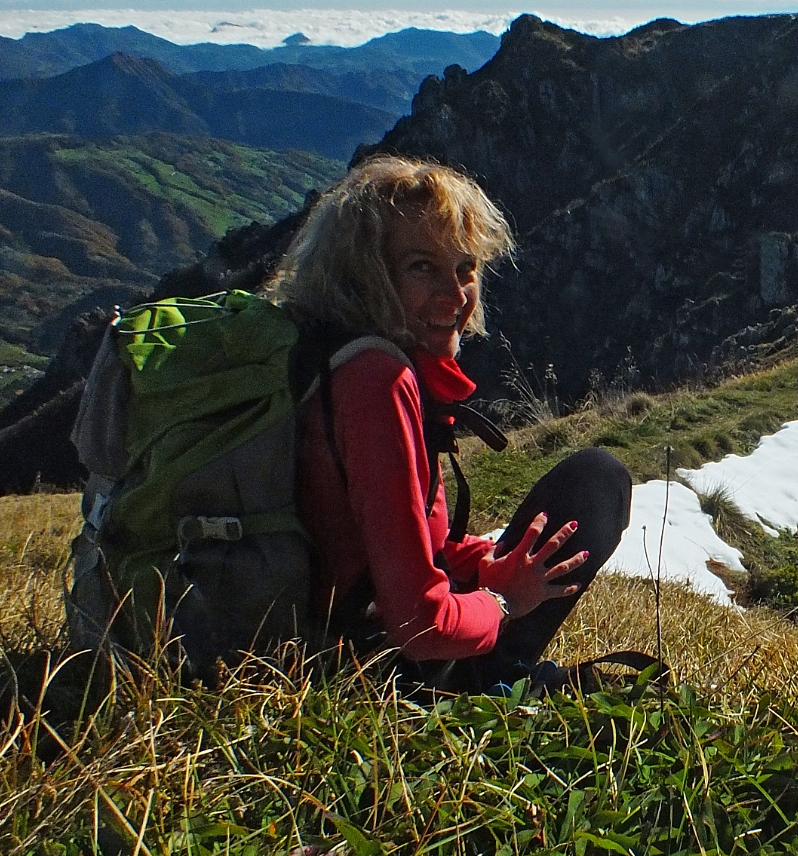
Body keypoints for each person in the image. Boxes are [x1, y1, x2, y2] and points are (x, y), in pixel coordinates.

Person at [267, 155, 632, 692]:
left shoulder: (324, 350)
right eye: (422, 267)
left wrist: (488, 564)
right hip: (369, 667)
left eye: (466, 269)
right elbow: (421, 624)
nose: (456, 295)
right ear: (367, 273)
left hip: (332, 627)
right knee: (596, 483)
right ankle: (495, 688)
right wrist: (504, 601)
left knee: (590, 483)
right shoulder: (376, 382)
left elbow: (381, 545)